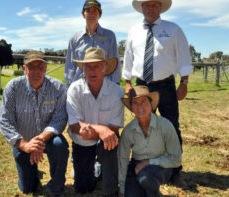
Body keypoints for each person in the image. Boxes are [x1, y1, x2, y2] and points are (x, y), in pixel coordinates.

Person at [122, 0, 192, 184]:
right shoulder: (134, 31)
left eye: (155, 5)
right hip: (142, 85)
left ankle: (175, 171)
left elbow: (184, 55)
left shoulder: (173, 29)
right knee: (141, 125)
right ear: (142, 8)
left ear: (160, 7)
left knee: (171, 126)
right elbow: (129, 57)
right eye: (147, 5)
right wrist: (128, 82)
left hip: (166, 85)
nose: (151, 8)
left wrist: (184, 82)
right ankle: (140, 163)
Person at [0, 51, 69, 197]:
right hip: (23, 141)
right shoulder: (13, 87)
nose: (36, 71)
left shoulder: (58, 87)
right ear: (24, 69)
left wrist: (39, 140)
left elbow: (60, 118)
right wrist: (24, 145)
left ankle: (56, 188)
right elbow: (5, 121)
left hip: (48, 138)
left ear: (46, 68)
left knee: (59, 145)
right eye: (31, 67)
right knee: (27, 188)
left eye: (40, 66)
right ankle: (33, 174)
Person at [66, 47, 124, 196]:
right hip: (82, 141)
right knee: (83, 187)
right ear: (83, 70)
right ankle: (96, 169)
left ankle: (110, 188)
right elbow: (74, 126)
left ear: (105, 69)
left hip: (105, 141)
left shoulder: (116, 92)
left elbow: (114, 128)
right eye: (88, 67)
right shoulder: (74, 89)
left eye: (96, 66)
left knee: (111, 143)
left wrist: (93, 130)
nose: (92, 70)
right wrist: (100, 129)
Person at [118, 86, 182, 197]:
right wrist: (122, 189)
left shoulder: (165, 126)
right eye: (135, 103)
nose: (140, 107)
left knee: (145, 178)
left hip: (161, 166)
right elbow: (123, 159)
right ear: (132, 108)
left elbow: (176, 160)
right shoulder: (128, 131)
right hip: (136, 165)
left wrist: (149, 162)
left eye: (143, 101)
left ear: (151, 104)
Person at [65, 0, 120, 88]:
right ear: (83, 14)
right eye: (88, 11)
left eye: (95, 11)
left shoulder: (110, 36)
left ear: (99, 14)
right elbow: (70, 65)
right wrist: (69, 86)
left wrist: (115, 85)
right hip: (80, 86)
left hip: (103, 86)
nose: (91, 14)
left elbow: (115, 61)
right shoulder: (74, 39)